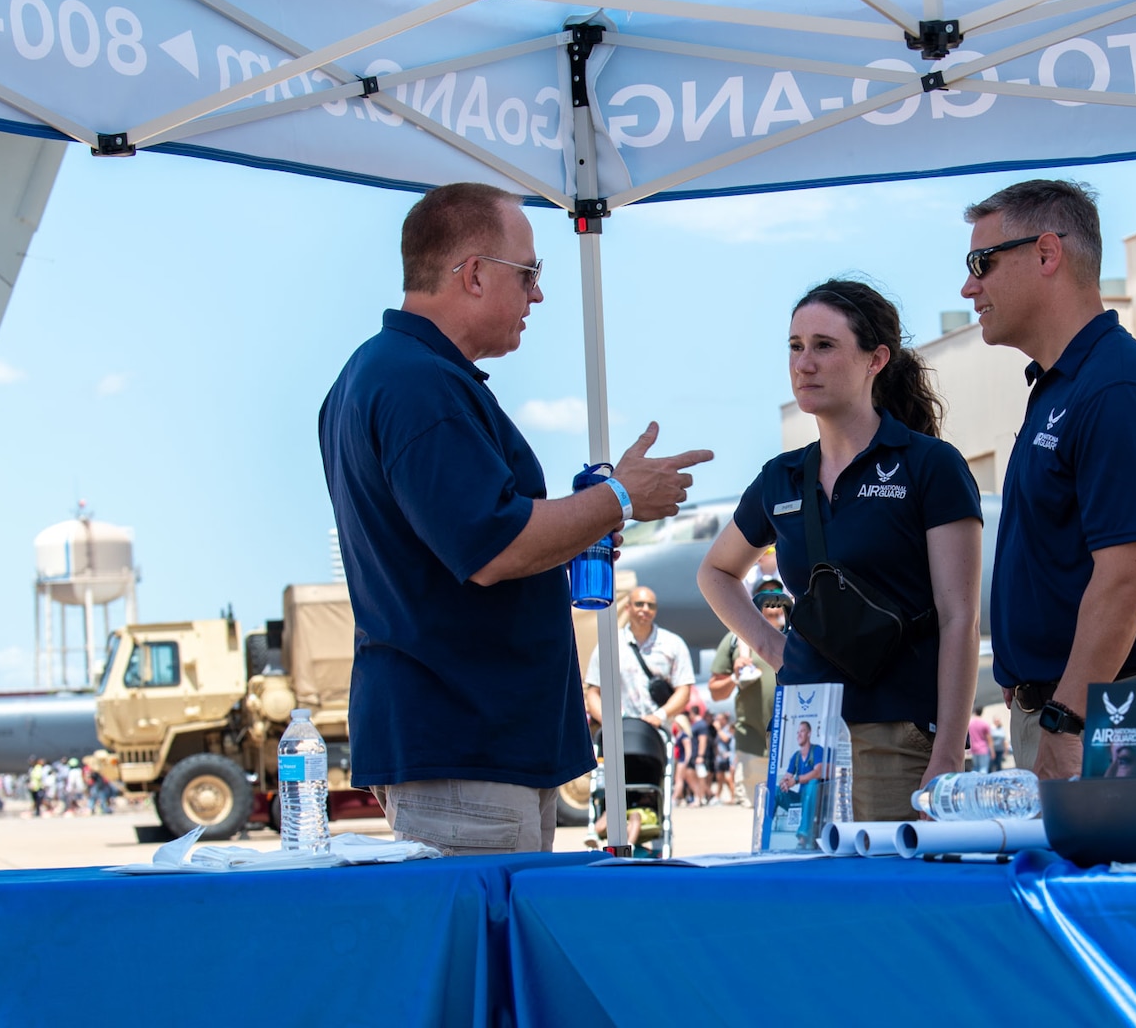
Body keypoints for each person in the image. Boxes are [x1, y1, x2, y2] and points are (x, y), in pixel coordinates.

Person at [319, 181, 711, 855]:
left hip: (470, 742)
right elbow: (493, 545)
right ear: (472, 273)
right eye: (529, 273)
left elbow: (479, 534)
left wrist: (587, 516)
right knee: (488, 957)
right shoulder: (418, 384)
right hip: (466, 743)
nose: (538, 294)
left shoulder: (389, 374)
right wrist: (617, 500)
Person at [698, 279, 983, 822]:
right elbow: (716, 571)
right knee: (807, 900)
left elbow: (960, 618)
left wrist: (949, 748)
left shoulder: (929, 466)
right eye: (795, 346)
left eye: (824, 346)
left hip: (898, 733)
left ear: (876, 359)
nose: (804, 363)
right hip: (804, 729)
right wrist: (774, 648)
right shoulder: (780, 478)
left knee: (890, 900)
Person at [960, 179, 1136, 781]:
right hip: (1075, 710)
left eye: (981, 262)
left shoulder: (1116, 388)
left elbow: (1125, 581)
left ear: (1046, 254)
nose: (969, 287)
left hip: (1103, 718)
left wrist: (1066, 718)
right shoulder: (1063, 385)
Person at [708, 579, 789, 805]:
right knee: (755, 812)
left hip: (792, 743)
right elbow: (715, 692)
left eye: (777, 594)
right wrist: (735, 677)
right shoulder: (735, 638)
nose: (772, 602)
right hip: (753, 744)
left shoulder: (797, 634)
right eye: (765, 596)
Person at [583, 585, 694, 732]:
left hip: (659, 734)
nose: (646, 609)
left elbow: (684, 690)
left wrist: (659, 716)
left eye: (651, 605)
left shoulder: (673, 644)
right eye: (639, 604)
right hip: (620, 736)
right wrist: (613, 722)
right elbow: (593, 692)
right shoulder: (609, 644)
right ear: (628, 608)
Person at [775, 720, 828, 849]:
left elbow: (818, 772)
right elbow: (788, 776)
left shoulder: (817, 751)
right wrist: (784, 783)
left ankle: (804, 837)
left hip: (814, 801)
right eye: (797, 732)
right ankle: (765, 832)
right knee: (776, 791)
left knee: (813, 783)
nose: (799, 734)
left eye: (802, 731)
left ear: (809, 734)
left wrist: (797, 780)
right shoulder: (796, 756)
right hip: (800, 800)